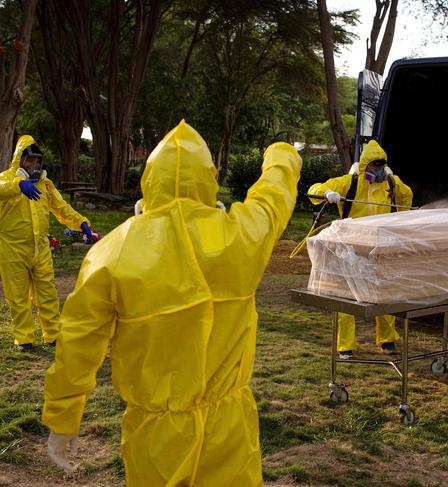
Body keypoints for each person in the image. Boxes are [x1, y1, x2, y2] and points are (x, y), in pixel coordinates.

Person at [42, 120, 301, 485]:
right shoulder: (242, 236)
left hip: (155, 436)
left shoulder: (111, 253)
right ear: (209, 179)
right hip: (229, 430)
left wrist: (62, 416)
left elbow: (78, 341)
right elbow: (273, 198)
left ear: (149, 180)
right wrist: (281, 154)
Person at [308, 140, 413, 359]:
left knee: (384, 293)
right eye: (374, 165)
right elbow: (313, 190)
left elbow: (407, 196)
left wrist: (400, 217)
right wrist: (327, 193)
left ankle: (387, 341)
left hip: (381, 246)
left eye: (381, 164)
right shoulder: (350, 182)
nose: (378, 169)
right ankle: (345, 346)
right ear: (365, 166)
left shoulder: (391, 183)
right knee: (347, 296)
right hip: (351, 247)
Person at [0, 135, 92, 352]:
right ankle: (24, 339)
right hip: (12, 247)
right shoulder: (6, 179)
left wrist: (81, 223)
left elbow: (62, 208)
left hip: (40, 247)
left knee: (48, 293)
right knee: (18, 296)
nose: (34, 165)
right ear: (20, 160)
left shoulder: (45, 184)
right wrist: (18, 185)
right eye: (30, 161)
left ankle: (53, 335)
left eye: (37, 161)